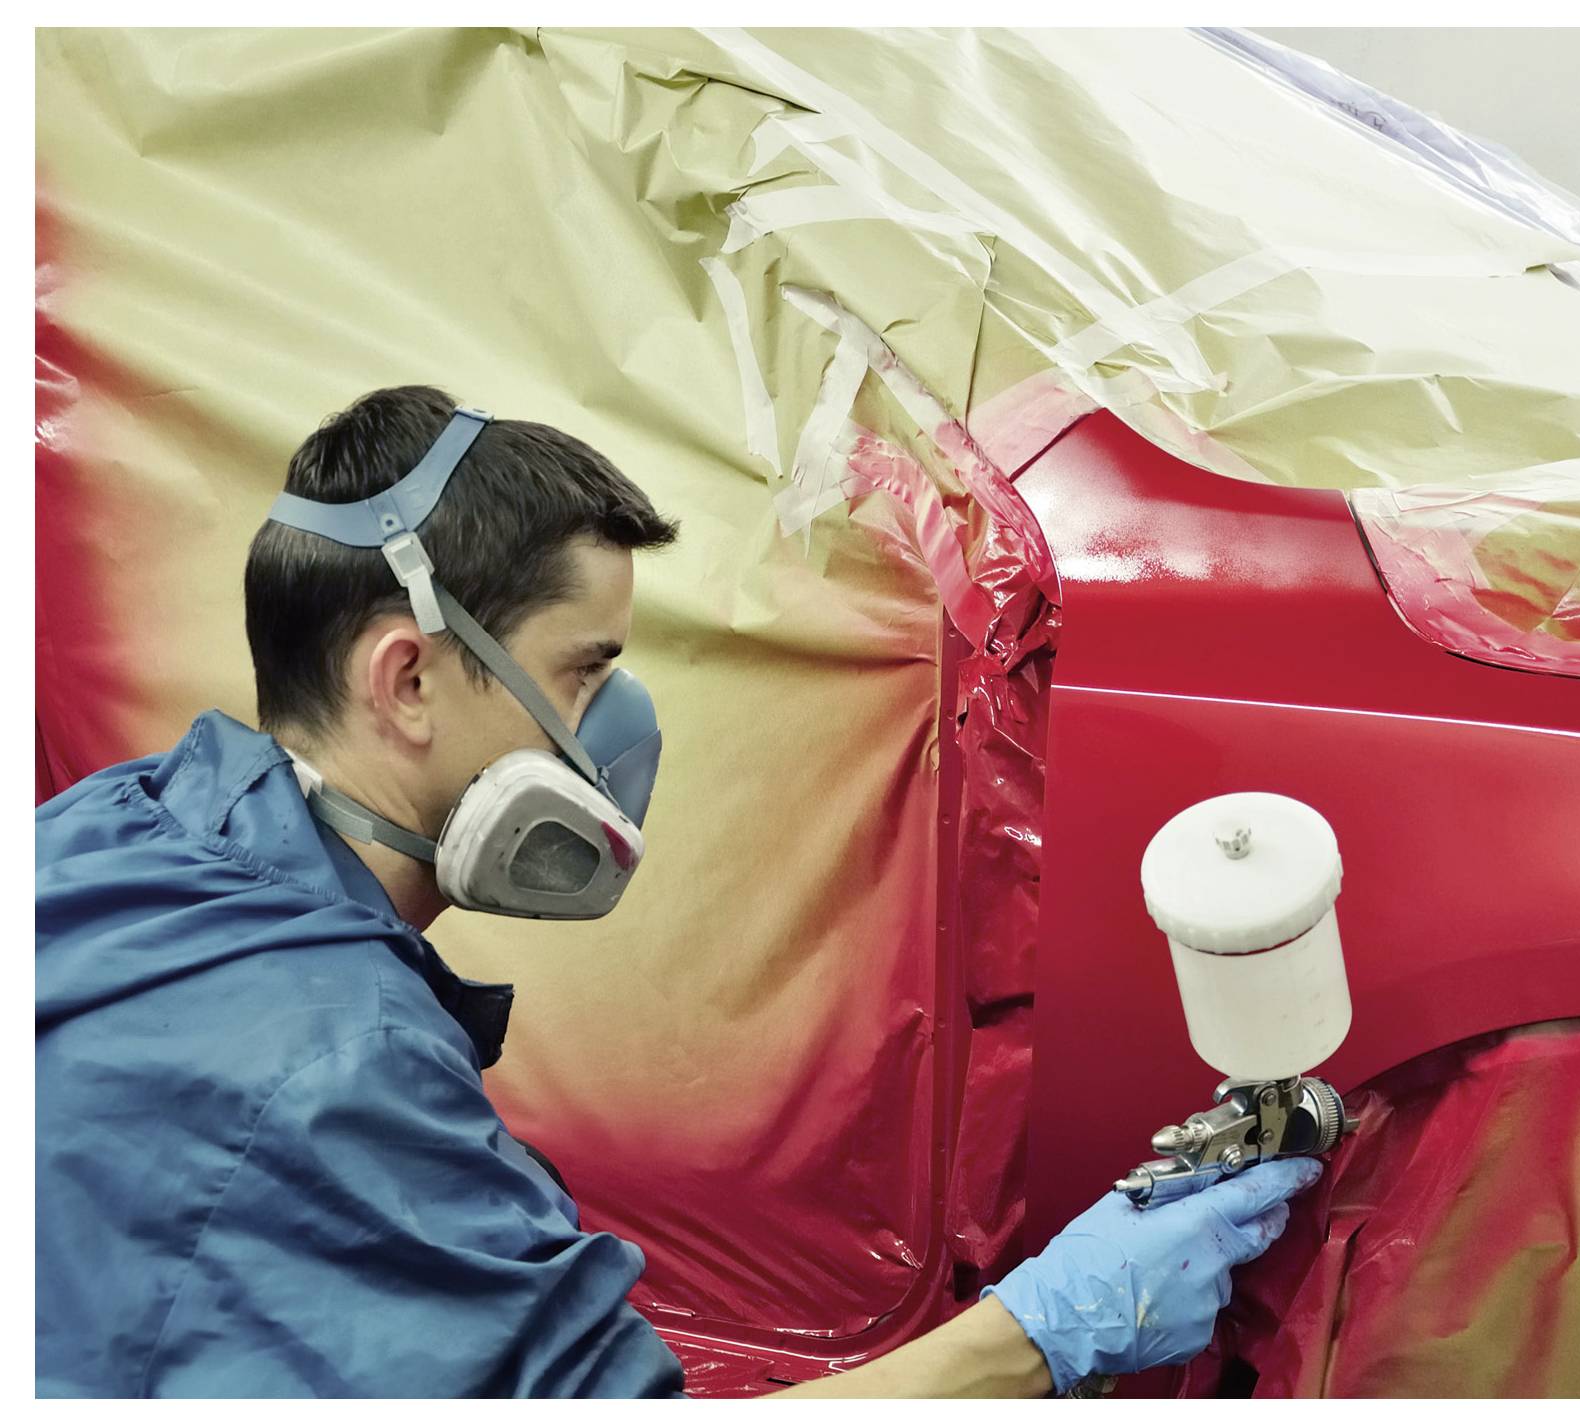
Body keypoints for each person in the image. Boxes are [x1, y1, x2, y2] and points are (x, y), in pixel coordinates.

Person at [36, 386, 1320, 1398]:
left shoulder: (107, 834)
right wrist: (1040, 1332)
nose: (614, 734)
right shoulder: (340, 1070)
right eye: (585, 671)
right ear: (407, 679)